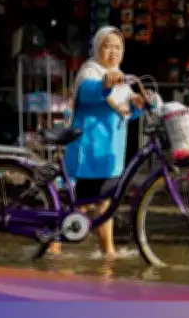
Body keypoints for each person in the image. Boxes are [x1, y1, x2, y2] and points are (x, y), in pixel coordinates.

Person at [48, 26, 145, 259]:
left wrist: (137, 105)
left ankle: (106, 249)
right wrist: (105, 84)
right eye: (107, 46)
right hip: (89, 149)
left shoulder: (120, 77)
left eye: (118, 47)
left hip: (110, 152)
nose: (113, 51)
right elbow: (88, 94)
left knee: (105, 202)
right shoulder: (91, 72)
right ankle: (54, 245)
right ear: (97, 48)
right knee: (84, 202)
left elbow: (125, 114)